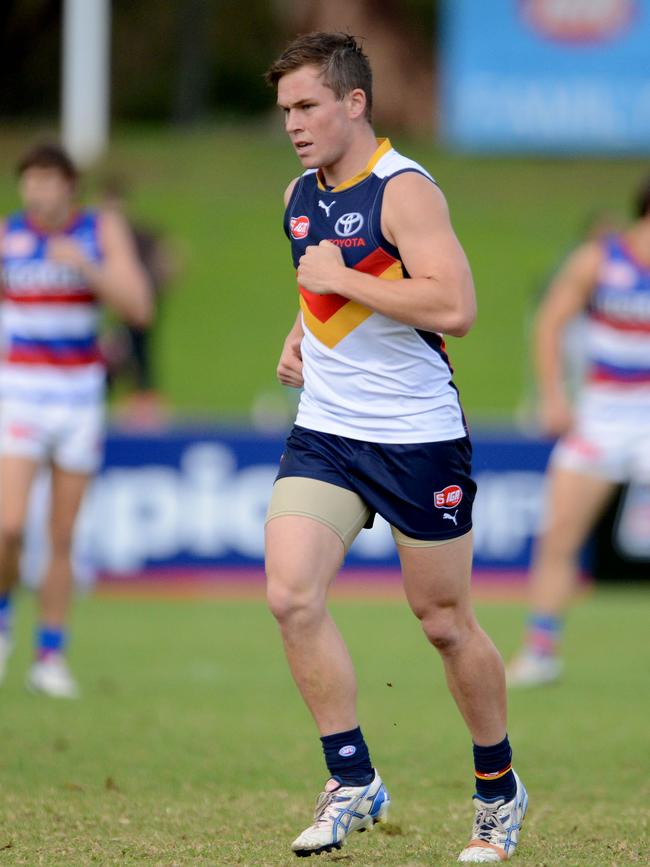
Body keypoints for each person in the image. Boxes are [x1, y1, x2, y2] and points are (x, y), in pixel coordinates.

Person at [263, 33, 527, 862]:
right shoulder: (300, 194)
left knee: (444, 622)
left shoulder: (403, 189)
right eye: (284, 111)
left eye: (307, 106)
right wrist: (302, 330)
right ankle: (353, 779)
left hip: (417, 438)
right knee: (290, 594)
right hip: (330, 433)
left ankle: (498, 790)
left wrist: (339, 284)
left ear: (354, 103)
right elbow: (330, 279)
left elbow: (454, 304)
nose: (295, 125)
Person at [0, 143, 152, 697]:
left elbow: (138, 306)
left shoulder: (98, 230)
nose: (37, 191)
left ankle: (50, 655)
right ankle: (2, 617)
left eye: (47, 180)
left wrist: (87, 267)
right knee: (8, 526)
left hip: (78, 398)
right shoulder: (8, 235)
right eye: (29, 180)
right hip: (19, 394)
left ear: (69, 186)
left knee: (61, 535)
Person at [507, 177, 650, 688]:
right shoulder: (599, 259)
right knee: (560, 535)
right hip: (604, 417)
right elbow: (549, 323)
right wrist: (553, 396)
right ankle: (541, 650)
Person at [98, 176, 177, 427]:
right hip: (114, 313)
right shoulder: (97, 236)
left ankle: (144, 412)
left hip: (136, 311)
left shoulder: (138, 234)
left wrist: (151, 289)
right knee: (122, 357)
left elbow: (171, 259)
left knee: (138, 357)